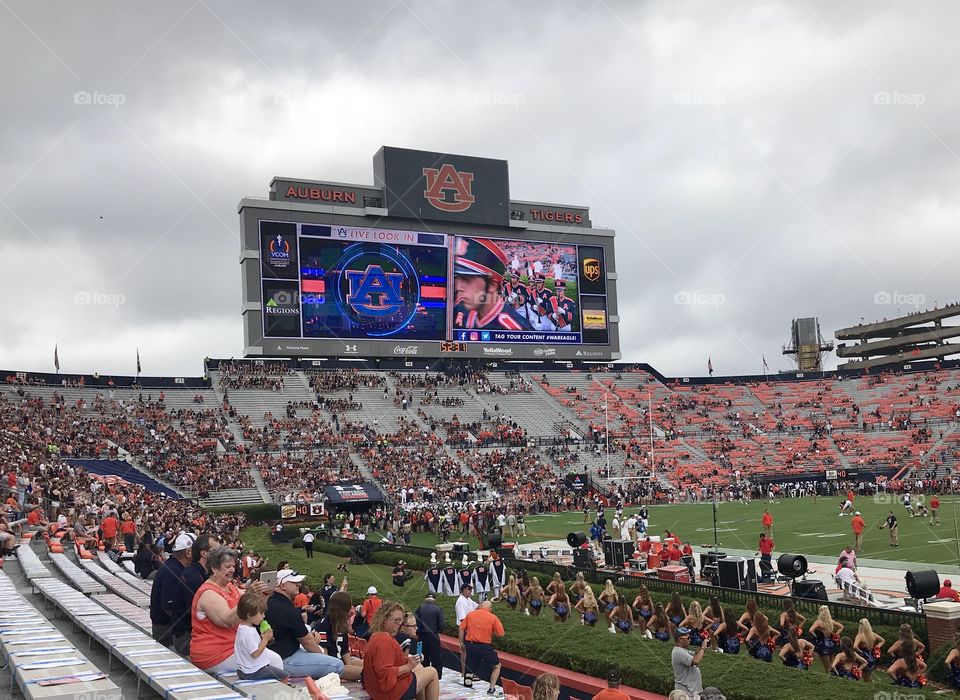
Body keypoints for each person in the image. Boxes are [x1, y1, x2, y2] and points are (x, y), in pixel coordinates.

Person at [266, 568, 345, 679]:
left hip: (277, 655)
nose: (298, 585)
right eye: (294, 582)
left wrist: (309, 637)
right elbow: (307, 642)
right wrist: (322, 657)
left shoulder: (272, 601)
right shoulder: (286, 608)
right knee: (337, 665)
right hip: (284, 660)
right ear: (283, 586)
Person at [363, 602, 439, 700]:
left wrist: (409, 660)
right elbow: (385, 673)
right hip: (387, 693)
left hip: (375, 689)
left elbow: (389, 661)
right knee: (432, 671)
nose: (399, 624)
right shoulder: (384, 641)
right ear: (384, 620)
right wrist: (408, 666)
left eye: (400, 621)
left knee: (419, 667)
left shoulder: (376, 636)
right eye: (396, 620)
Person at [190, 546, 246, 673]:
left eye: (233, 566)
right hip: (214, 654)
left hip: (233, 648)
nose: (232, 570)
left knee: (272, 660)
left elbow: (254, 608)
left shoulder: (230, 587)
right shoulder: (208, 592)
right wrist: (248, 598)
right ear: (214, 569)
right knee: (270, 662)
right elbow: (226, 621)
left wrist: (263, 593)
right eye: (227, 567)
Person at [171, 533, 217, 655]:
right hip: (186, 638)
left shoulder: (200, 573)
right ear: (204, 553)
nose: (221, 555)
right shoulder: (194, 577)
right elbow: (198, 615)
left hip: (192, 634)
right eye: (216, 551)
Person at [234, 589, 289, 682]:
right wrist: (265, 640)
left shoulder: (243, 628)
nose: (264, 616)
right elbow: (255, 653)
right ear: (250, 614)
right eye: (261, 613)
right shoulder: (248, 632)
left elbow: (251, 646)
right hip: (253, 671)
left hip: (245, 669)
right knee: (284, 676)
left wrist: (265, 638)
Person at [150, 532, 195, 646]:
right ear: (188, 552)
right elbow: (169, 607)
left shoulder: (173, 566)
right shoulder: (173, 571)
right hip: (166, 629)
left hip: (167, 626)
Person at [315, 590, 363, 681]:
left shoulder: (342, 624)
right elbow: (324, 656)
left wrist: (350, 667)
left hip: (342, 660)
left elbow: (345, 651)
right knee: (366, 672)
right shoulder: (324, 625)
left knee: (367, 665)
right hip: (333, 665)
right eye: (350, 605)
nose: (352, 608)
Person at [460, 601, 505, 695]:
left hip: (470, 644)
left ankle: (468, 680)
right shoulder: (493, 617)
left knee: (471, 662)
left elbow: (461, 628)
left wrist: (461, 643)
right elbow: (501, 634)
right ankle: (491, 689)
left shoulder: (471, 614)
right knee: (497, 665)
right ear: (490, 608)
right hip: (484, 646)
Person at [415, 593, 445, 679]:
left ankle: (423, 674)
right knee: (436, 656)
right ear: (434, 599)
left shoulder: (420, 608)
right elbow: (441, 624)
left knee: (422, 655)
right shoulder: (438, 609)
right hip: (433, 635)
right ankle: (437, 675)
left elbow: (416, 620)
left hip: (421, 636)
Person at [808, 606, 843, 673]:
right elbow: (841, 626)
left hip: (823, 645)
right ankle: (836, 677)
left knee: (827, 667)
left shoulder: (818, 622)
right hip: (831, 643)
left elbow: (810, 630)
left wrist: (816, 636)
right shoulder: (831, 621)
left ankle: (829, 679)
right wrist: (836, 634)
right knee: (832, 663)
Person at [672, 627, 705, 698]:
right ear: (680, 639)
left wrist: (703, 644)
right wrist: (703, 648)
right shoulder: (678, 652)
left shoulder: (682, 650)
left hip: (691, 692)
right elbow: (696, 661)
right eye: (687, 638)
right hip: (685, 692)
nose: (689, 639)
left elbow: (696, 654)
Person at [852, 618, 884, 683]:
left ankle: (868, 688)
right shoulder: (873, 634)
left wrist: (860, 652)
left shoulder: (860, 636)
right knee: (868, 673)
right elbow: (882, 640)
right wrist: (877, 647)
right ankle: (871, 684)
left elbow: (855, 646)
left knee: (865, 675)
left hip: (864, 656)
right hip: (871, 655)